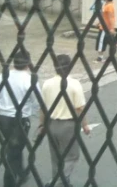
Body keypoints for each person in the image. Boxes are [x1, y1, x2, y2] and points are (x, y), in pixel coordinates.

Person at [40, 54, 90, 187]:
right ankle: (58, 181)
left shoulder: (47, 84)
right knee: (72, 156)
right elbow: (79, 108)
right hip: (68, 125)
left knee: (55, 157)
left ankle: (60, 181)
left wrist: (42, 125)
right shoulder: (74, 84)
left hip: (51, 124)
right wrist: (85, 125)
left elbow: (43, 108)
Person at [0, 49, 40, 187]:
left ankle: (21, 173)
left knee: (14, 148)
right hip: (20, 120)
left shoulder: (2, 76)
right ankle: (9, 182)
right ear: (28, 64)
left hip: (3, 118)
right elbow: (37, 100)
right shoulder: (30, 79)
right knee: (14, 151)